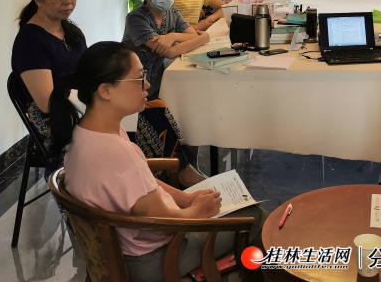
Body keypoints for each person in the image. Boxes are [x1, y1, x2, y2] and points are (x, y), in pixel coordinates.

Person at [49, 42, 264, 282]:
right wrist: (196, 211)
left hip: (129, 248)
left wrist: (186, 199)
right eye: (139, 79)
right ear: (106, 90)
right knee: (256, 216)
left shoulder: (85, 133)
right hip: (157, 257)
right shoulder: (117, 152)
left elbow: (141, 185)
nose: (148, 85)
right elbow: (161, 223)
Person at [11, 0, 204, 186]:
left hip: (84, 102)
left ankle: (176, 172)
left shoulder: (70, 31)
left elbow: (89, 73)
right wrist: (105, 104)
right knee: (143, 116)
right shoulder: (30, 41)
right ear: (38, 0)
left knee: (155, 107)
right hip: (58, 115)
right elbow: (46, 102)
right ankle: (152, 181)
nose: (68, 1)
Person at [123, 0, 210, 97]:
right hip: (134, 86)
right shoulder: (136, 19)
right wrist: (204, 37)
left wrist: (173, 36)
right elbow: (170, 52)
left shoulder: (171, 11)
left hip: (158, 81)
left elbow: (192, 34)